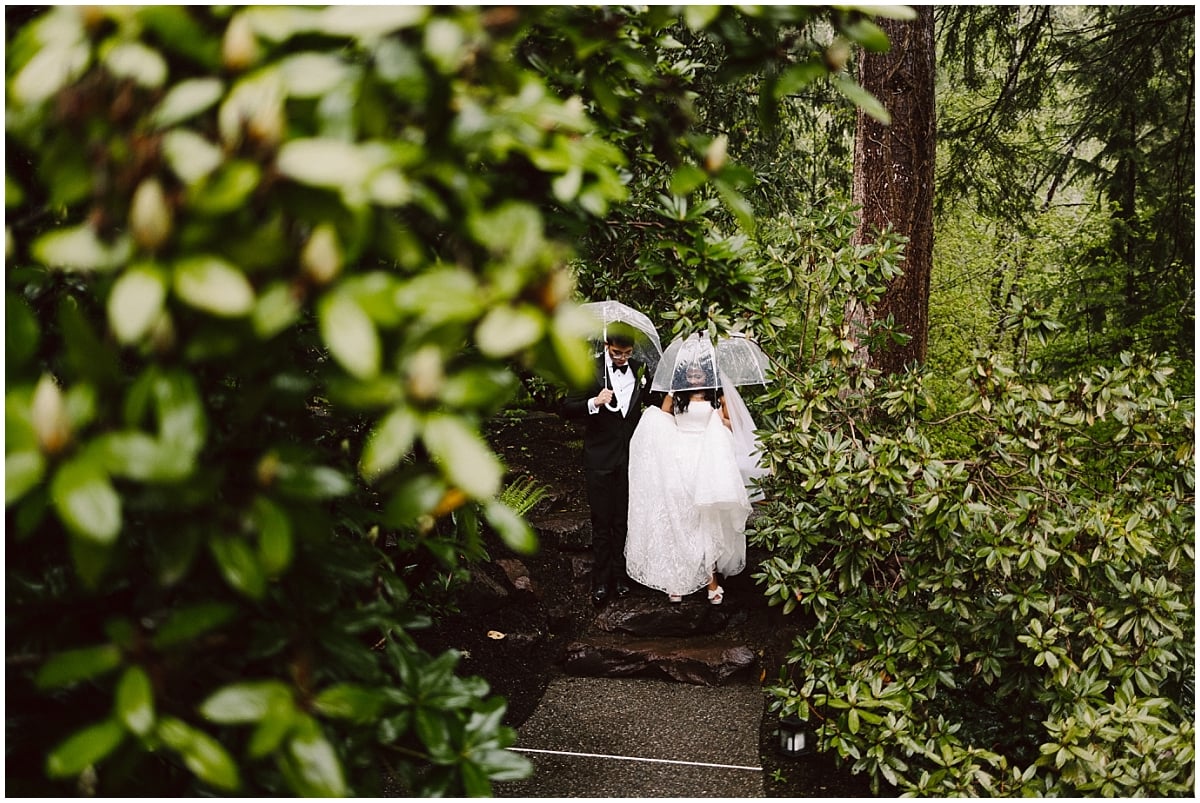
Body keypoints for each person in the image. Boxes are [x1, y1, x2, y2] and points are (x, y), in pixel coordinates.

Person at [624, 358, 754, 605]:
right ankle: (677, 579)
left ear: (708, 375)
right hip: (679, 458)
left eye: (699, 375)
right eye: (690, 375)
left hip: (707, 459)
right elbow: (662, 423)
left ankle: (711, 580)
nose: (694, 379)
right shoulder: (675, 395)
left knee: (705, 519)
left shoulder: (718, 398)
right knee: (680, 518)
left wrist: (719, 421)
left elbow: (732, 425)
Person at [558, 324, 651, 605]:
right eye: (617, 352)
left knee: (623, 520)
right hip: (599, 457)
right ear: (607, 346)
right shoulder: (590, 370)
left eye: (627, 353)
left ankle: (621, 577)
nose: (622, 358)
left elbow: (649, 404)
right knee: (601, 521)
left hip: (630, 457)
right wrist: (594, 402)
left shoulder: (640, 370)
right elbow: (565, 407)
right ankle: (600, 582)